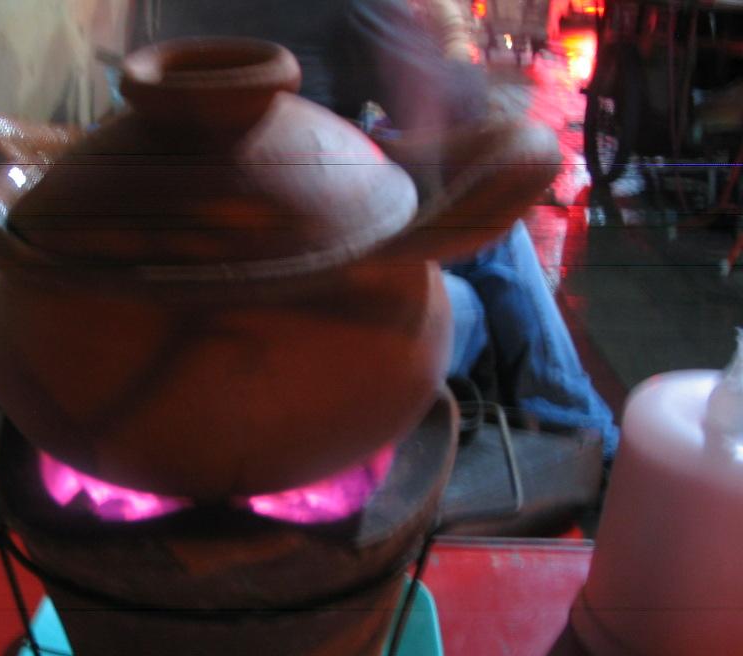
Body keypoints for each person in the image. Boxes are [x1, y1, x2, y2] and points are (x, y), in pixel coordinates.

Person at [130, 0, 620, 460]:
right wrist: (451, 33)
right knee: (492, 245)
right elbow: (457, 108)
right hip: (301, 285)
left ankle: (575, 424)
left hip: (191, 269)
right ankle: (588, 436)